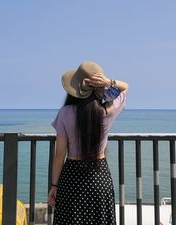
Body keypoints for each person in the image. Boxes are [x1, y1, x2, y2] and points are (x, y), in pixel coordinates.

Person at [48, 61, 128, 225]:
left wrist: (54, 185)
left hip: (72, 179)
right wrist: (109, 82)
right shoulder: (108, 110)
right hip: (99, 177)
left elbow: (59, 156)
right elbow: (125, 88)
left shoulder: (65, 113)